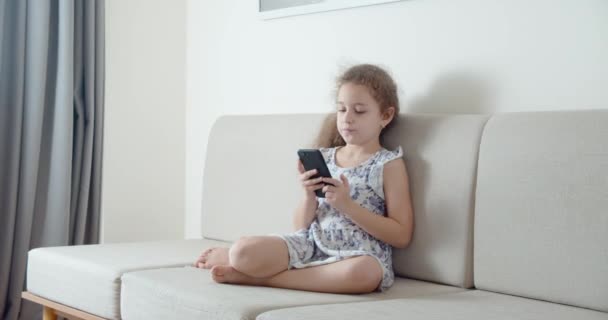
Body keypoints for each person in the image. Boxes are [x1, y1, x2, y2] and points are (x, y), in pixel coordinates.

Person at [194, 64, 414, 293]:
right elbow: (299, 227)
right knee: (242, 251)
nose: (347, 118)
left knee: (364, 274)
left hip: (358, 254)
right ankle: (240, 262)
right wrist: (308, 195)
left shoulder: (388, 164)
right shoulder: (325, 157)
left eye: (359, 111)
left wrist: (347, 206)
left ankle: (258, 279)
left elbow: (401, 235)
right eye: (341, 109)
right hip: (311, 244)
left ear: (385, 116)